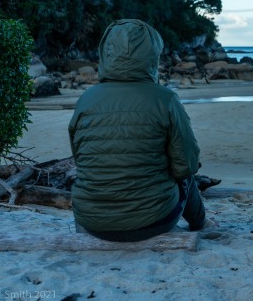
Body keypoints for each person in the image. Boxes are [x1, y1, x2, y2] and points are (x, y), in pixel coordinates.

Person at [68, 19, 209, 241]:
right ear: (152, 55)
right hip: (151, 221)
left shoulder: (86, 100)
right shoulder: (165, 99)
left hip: (91, 221)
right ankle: (200, 224)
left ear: (106, 52)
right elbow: (186, 165)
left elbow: (79, 157)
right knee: (186, 175)